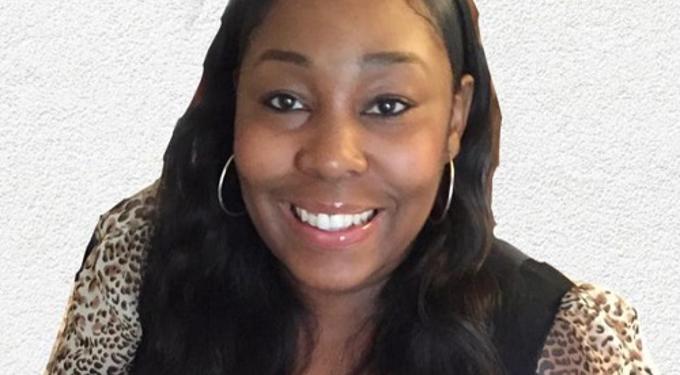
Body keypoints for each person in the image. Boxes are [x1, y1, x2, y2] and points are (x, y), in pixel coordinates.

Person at [45, 0, 656, 374]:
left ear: (453, 119)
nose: (332, 158)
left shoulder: (562, 341)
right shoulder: (141, 269)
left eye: (387, 104)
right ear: (235, 105)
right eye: (285, 100)